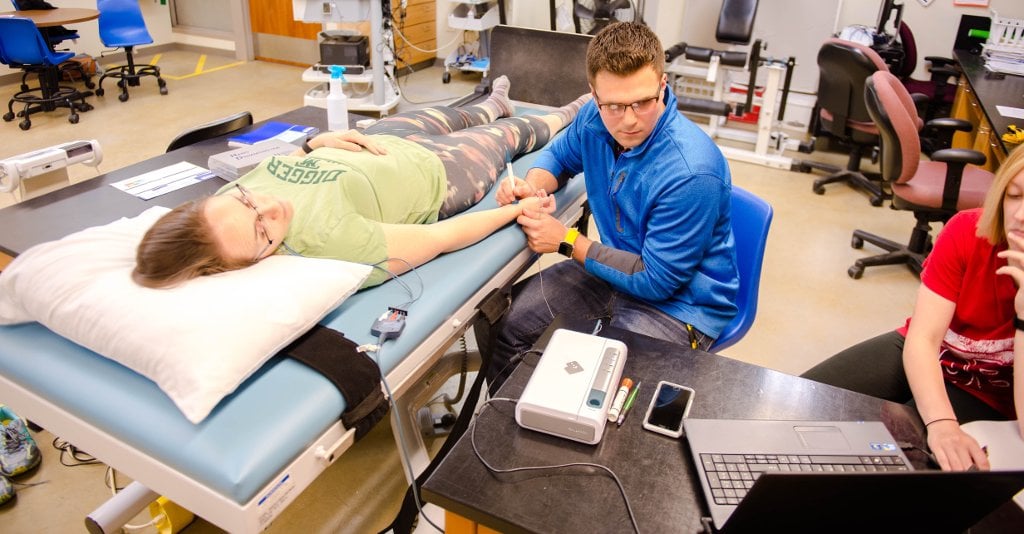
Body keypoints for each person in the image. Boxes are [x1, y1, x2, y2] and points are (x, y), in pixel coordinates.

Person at [133, 76, 591, 289]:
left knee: (460, 112)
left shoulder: (223, 202)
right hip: (439, 172)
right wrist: (515, 209)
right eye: (261, 232)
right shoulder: (328, 244)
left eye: (250, 202)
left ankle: (494, 101)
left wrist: (315, 146)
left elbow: (280, 168)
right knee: (514, 134)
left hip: (372, 140)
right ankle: (575, 109)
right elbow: (439, 237)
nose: (268, 211)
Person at [488, 22, 738, 386]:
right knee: (506, 324)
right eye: (615, 106)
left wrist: (567, 241)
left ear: (663, 85)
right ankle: (509, 428)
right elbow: (559, 155)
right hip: (614, 270)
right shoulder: (594, 118)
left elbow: (656, 281)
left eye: (643, 102)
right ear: (593, 94)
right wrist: (532, 186)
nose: (630, 120)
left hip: (678, 305)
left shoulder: (692, 172)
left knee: (600, 386)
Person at [802, 147, 1024, 472]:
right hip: (929, 352)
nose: (1018, 215)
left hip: (989, 393)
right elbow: (923, 338)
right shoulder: (969, 230)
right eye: (1014, 195)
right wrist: (942, 422)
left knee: (892, 463)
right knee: (803, 399)